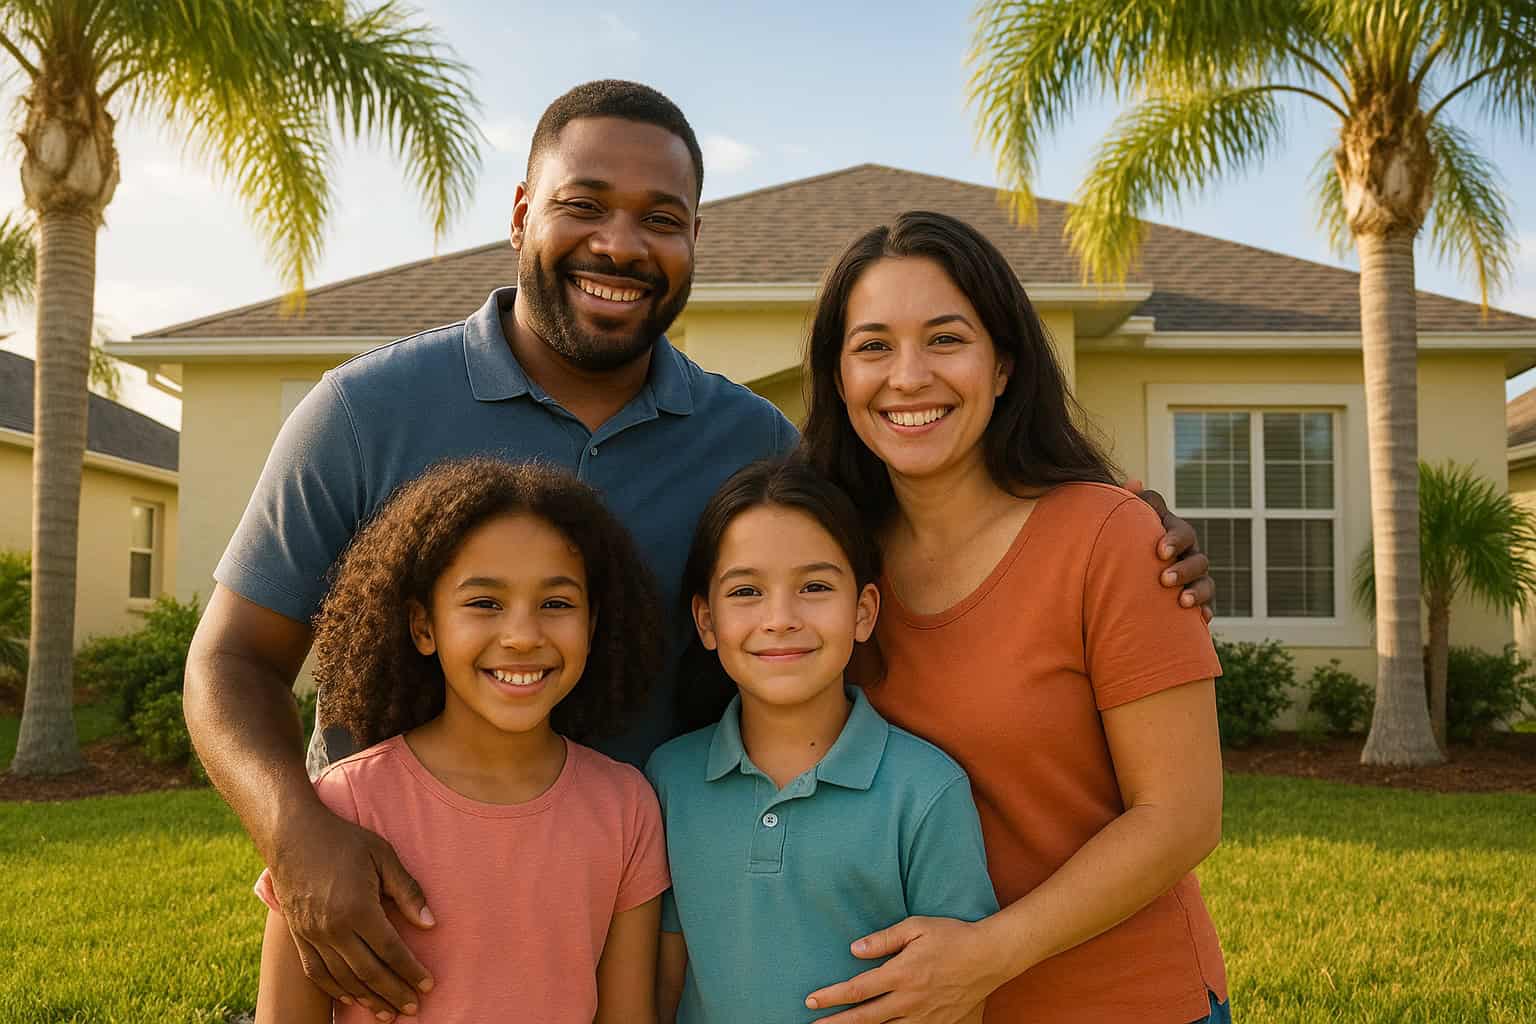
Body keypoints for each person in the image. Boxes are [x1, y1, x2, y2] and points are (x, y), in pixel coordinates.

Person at [183, 79, 1213, 1019]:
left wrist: (1117, 517)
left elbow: (908, 522)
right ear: (518, 216)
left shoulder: (748, 443)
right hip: (398, 940)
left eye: (661, 220)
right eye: (583, 204)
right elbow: (231, 661)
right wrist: (299, 833)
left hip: (645, 921)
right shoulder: (364, 414)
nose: (621, 245)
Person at [796, 211, 1230, 1024]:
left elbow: (1180, 816)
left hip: (1122, 1002)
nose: (909, 376)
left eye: (947, 339)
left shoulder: (1110, 538)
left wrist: (984, 958)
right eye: (873, 346)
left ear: (1002, 366)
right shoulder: (829, 566)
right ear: (838, 376)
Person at [253, 458, 670, 1023]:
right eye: (484, 603)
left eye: (556, 604)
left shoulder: (626, 807)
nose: (523, 635)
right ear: (424, 627)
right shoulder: (343, 804)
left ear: (593, 627)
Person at [646, 459, 998, 1024]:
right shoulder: (669, 780)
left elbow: (959, 998)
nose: (780, 618)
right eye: (746, 591)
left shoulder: (926, 791)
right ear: (706, 621)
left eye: (813, 586)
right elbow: (664, 980)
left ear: (863, 612)